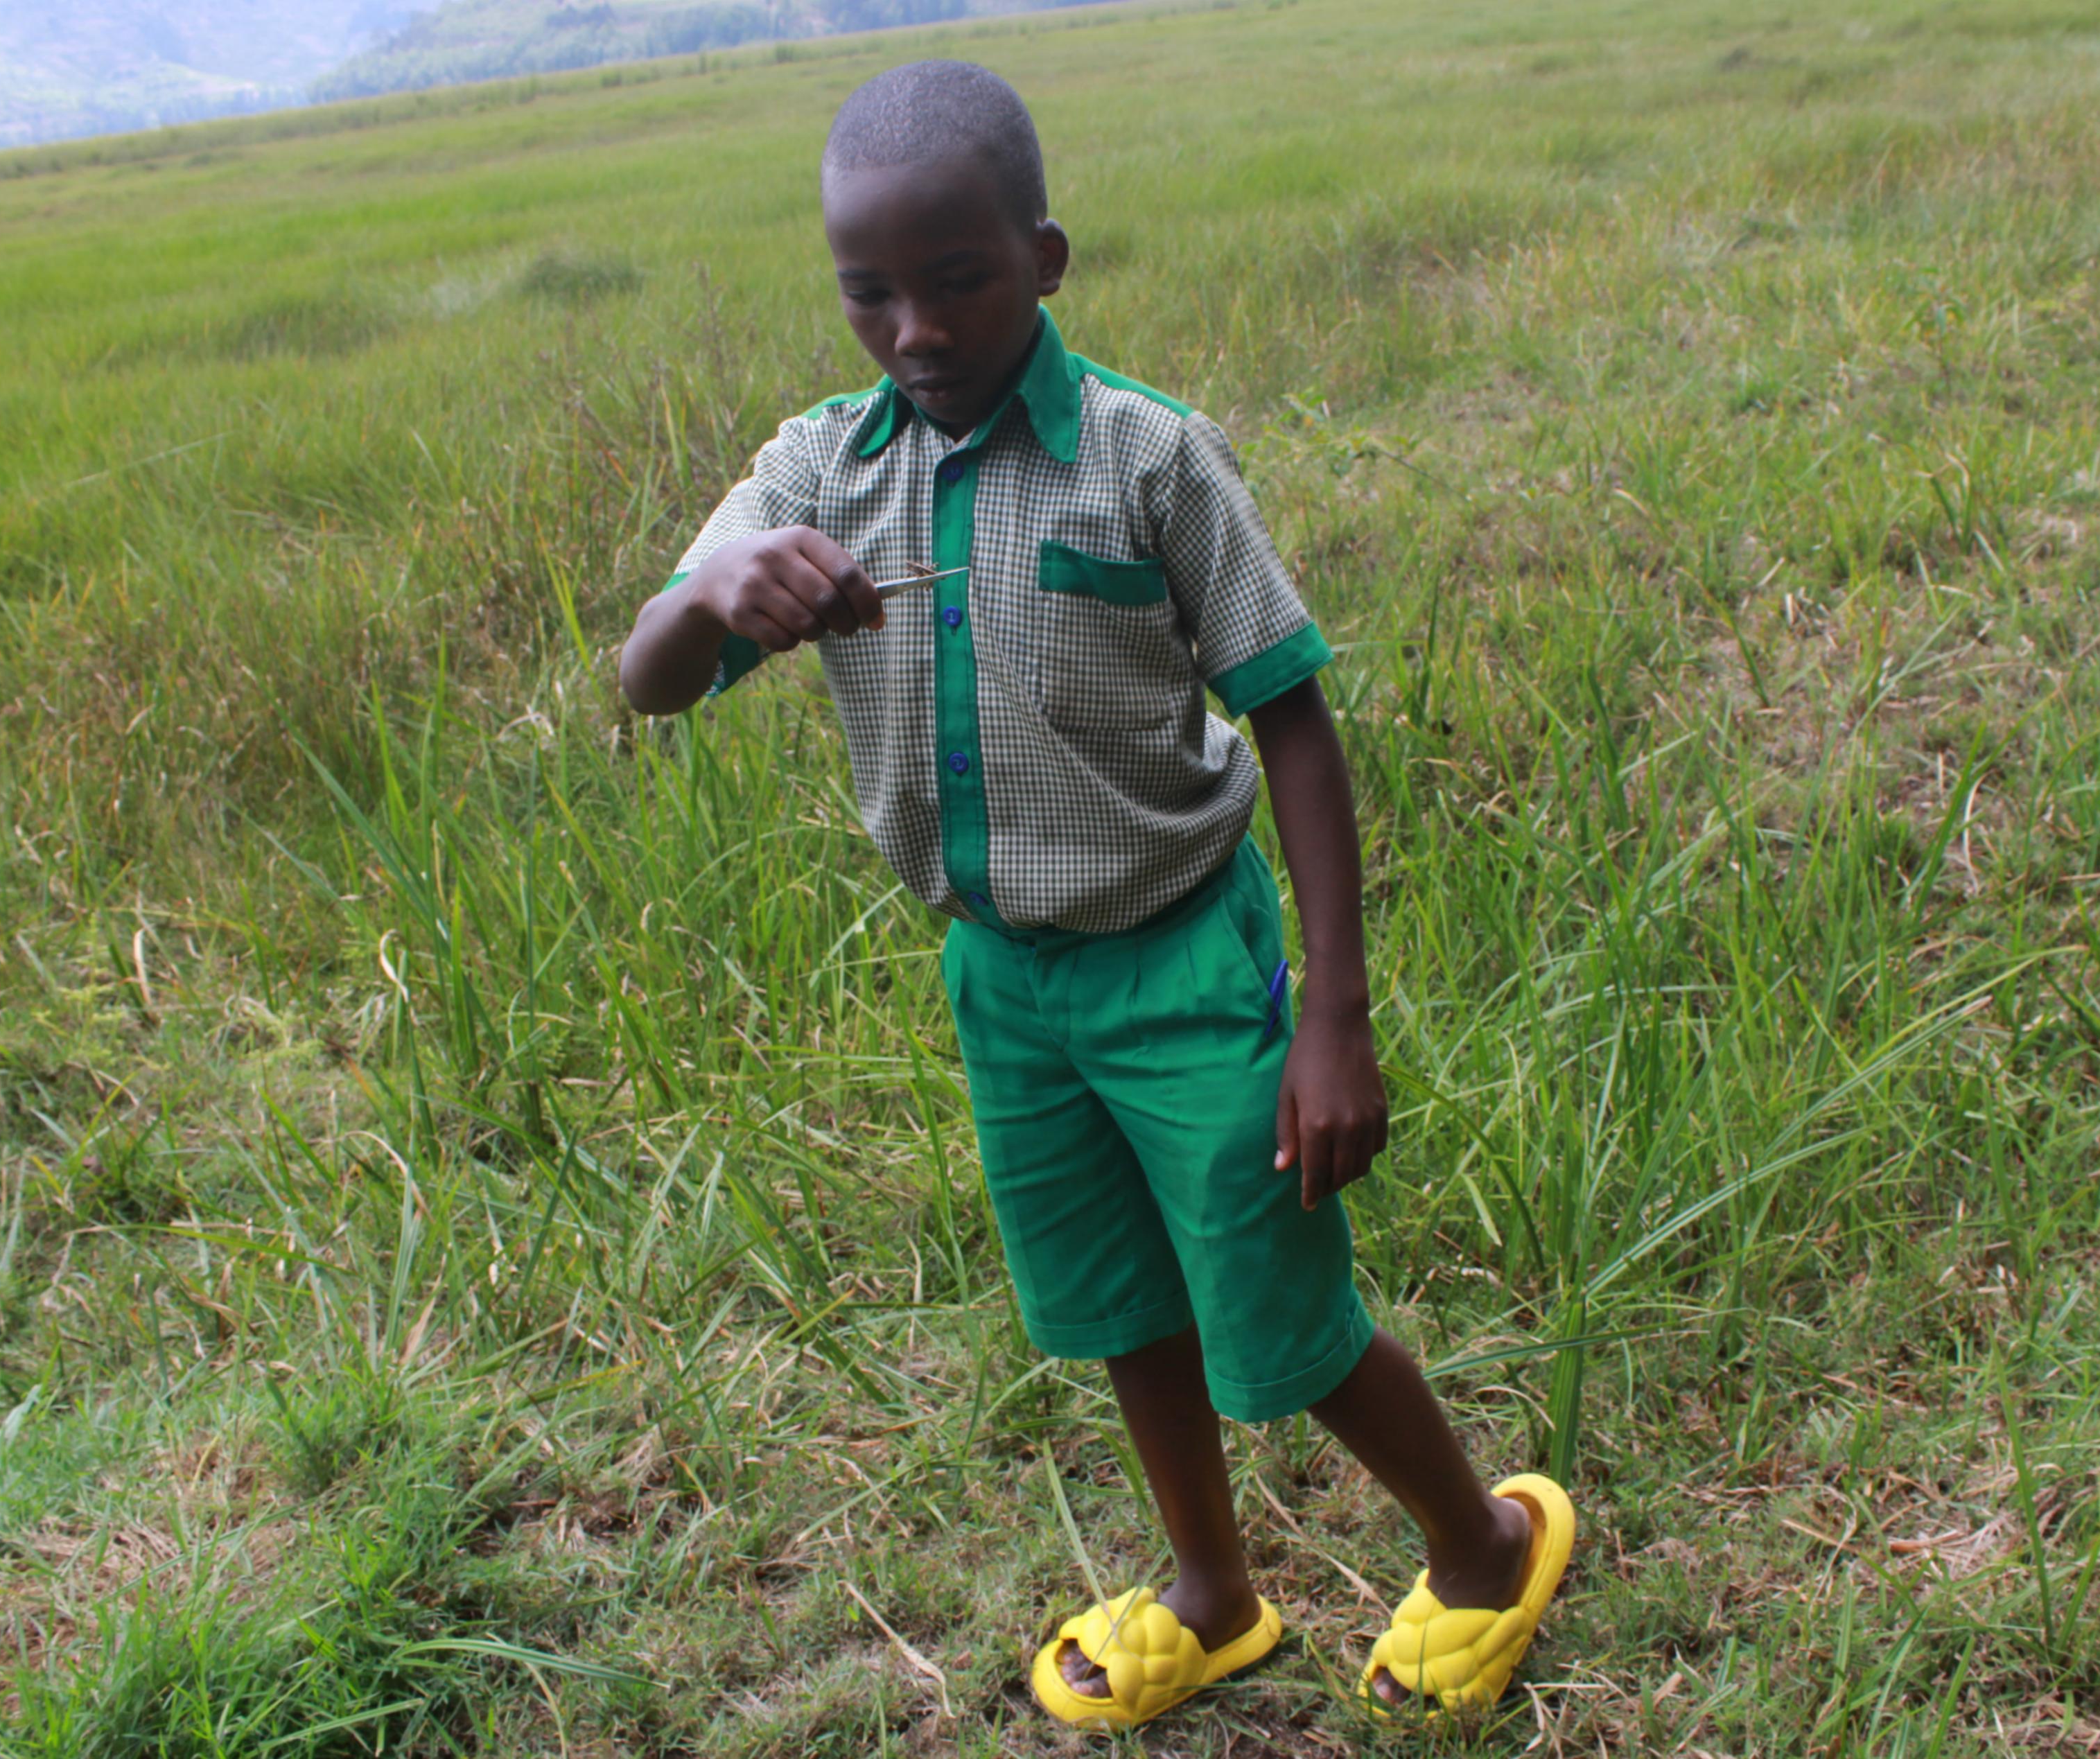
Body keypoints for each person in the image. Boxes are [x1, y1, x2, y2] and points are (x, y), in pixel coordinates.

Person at [617, 58, 1573, 1726]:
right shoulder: (811, 475)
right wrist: (716, 589)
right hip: (1005, 980)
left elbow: (1290, 721)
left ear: (1042, 259)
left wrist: (1331, 1021)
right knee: (1121, 1301)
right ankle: (1212, 1593)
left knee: (1279, 1310)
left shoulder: (1147, 457)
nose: (912, 326)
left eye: (956, 279)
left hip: (1180, 963)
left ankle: (1481, 1543)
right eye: (868, 292)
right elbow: (645, 678)